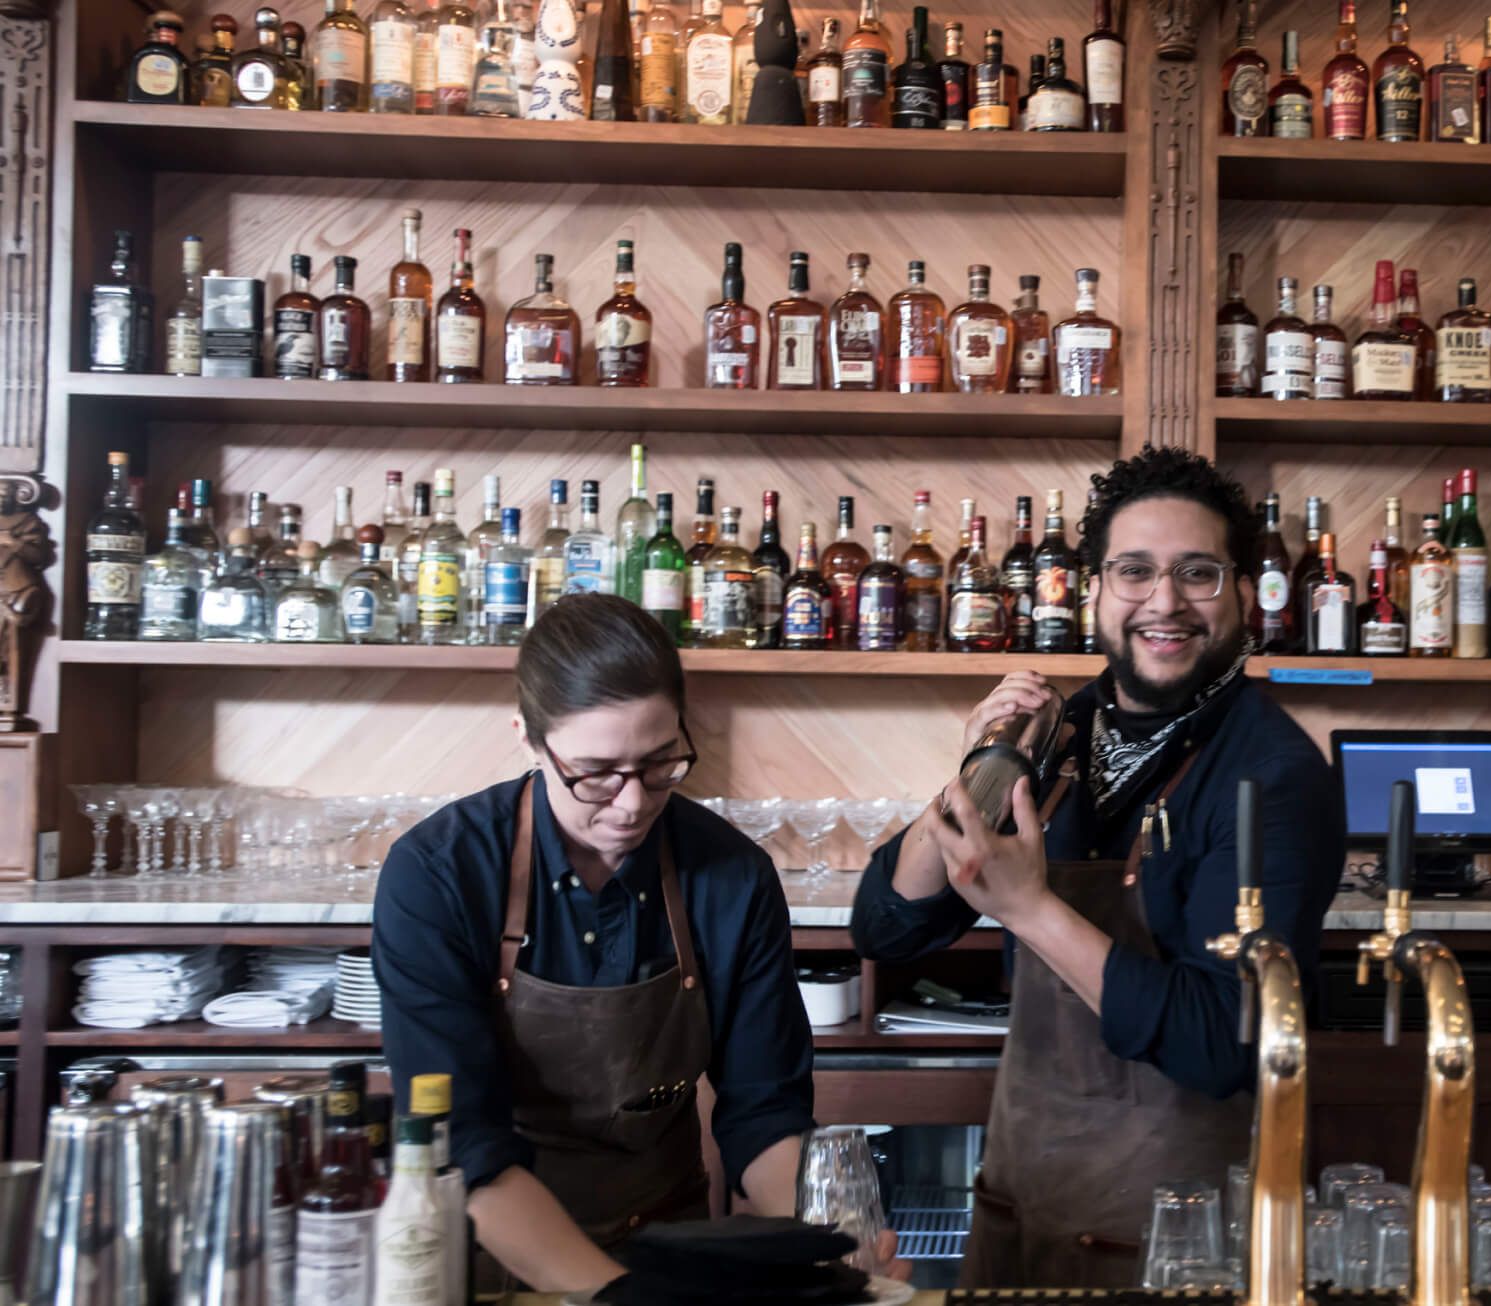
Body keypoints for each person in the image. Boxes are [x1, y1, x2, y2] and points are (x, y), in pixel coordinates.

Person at [850, 445, 1345, 1288]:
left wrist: (1031, 910)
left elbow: (1220, 1042)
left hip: (1188, 1241)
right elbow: (889, 928)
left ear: (1240, 593)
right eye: (1134, 572)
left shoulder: (1273, 775)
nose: (1165, 601)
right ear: (1093, 592)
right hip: (1025, 1204)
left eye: (1197, 573)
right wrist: (978, 770)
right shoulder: (1064, 733)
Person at [374, 593, 820, 1294]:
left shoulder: (732, 874)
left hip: (673, 1250)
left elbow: (764, 1110)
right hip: (492, 1256)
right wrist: (613, 1293)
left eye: (661, 764)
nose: (633, 802)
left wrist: (819, 1238)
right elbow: (462, 1143)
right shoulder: (439, 874)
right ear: (528, 738)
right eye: (596, 773)